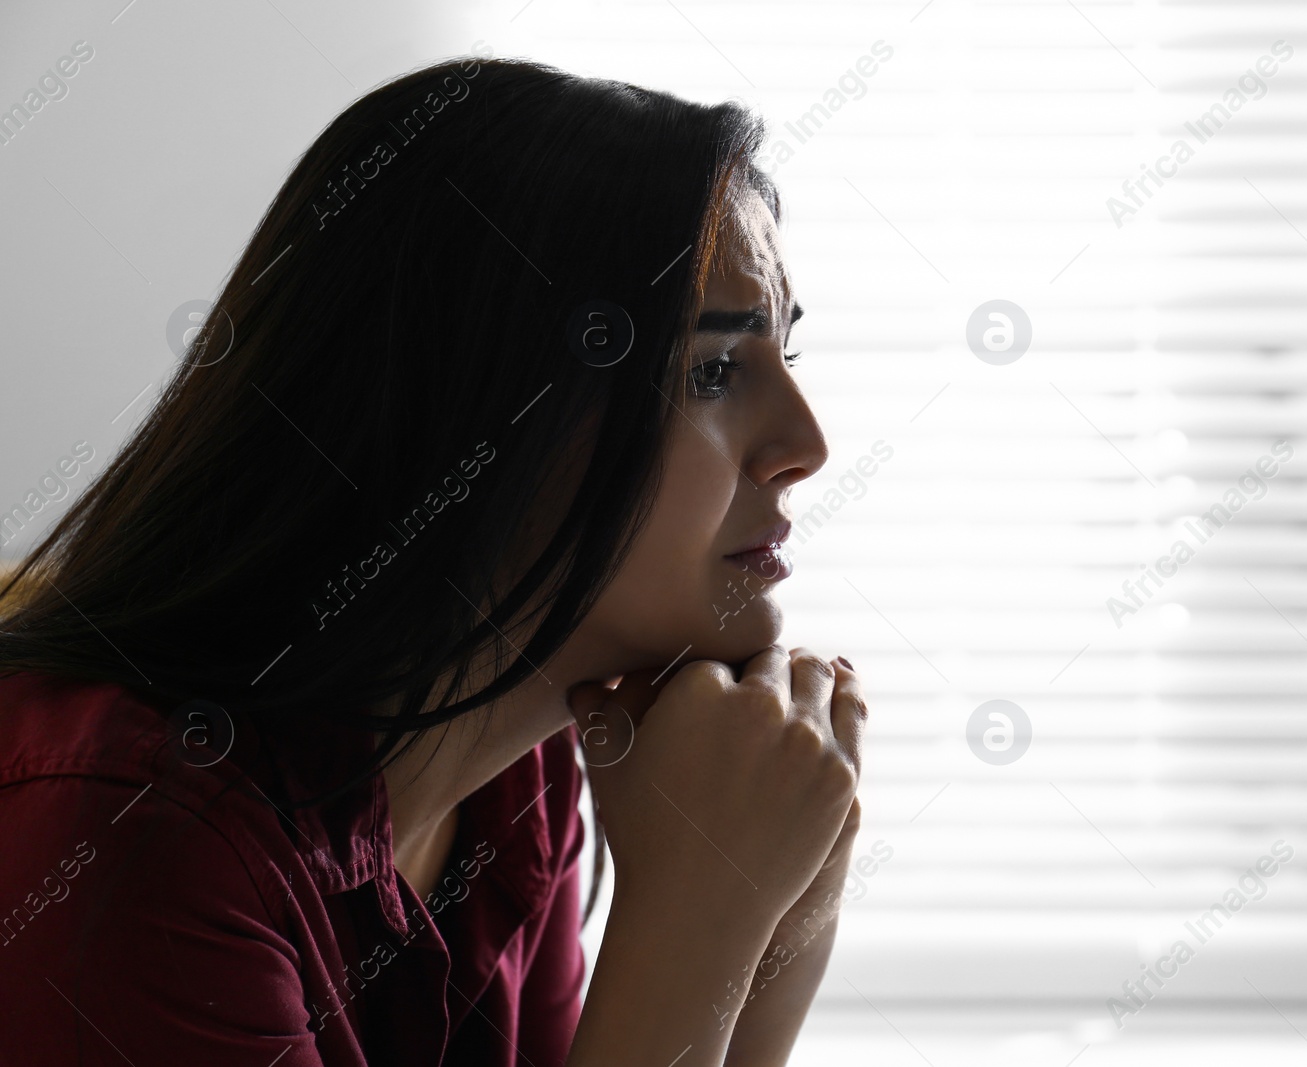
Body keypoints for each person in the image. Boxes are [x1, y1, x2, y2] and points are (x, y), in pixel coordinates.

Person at [0, 54, 866, 1067]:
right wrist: (701, 912)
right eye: (711, 369)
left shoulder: (514, 776)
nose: (806, 442)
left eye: (782, 358)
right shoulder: (122, 837)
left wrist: (780, 924)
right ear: (478, 422)